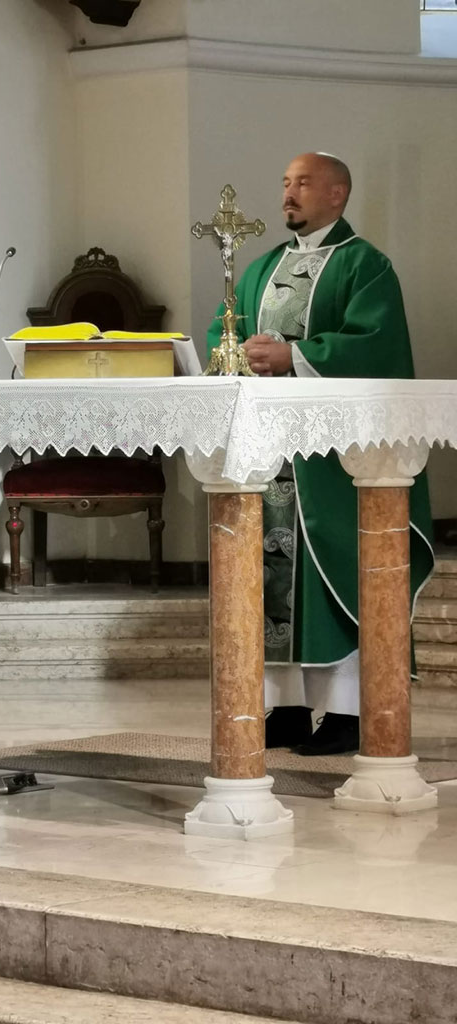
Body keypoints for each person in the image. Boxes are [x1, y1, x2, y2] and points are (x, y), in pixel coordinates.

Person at [206, 152, 434, 756]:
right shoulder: (262, 269)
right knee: (270, 583)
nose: (289, 193)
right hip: (269, 455)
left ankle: (347, 713)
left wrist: (295, 356)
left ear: (337, 194)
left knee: (340, 577)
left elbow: (377, 346)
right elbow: (224, 331)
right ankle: (283, 709)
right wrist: (236, 353)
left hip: (334, 461)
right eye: (285, 182)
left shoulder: (365, 266)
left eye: (303, 183)